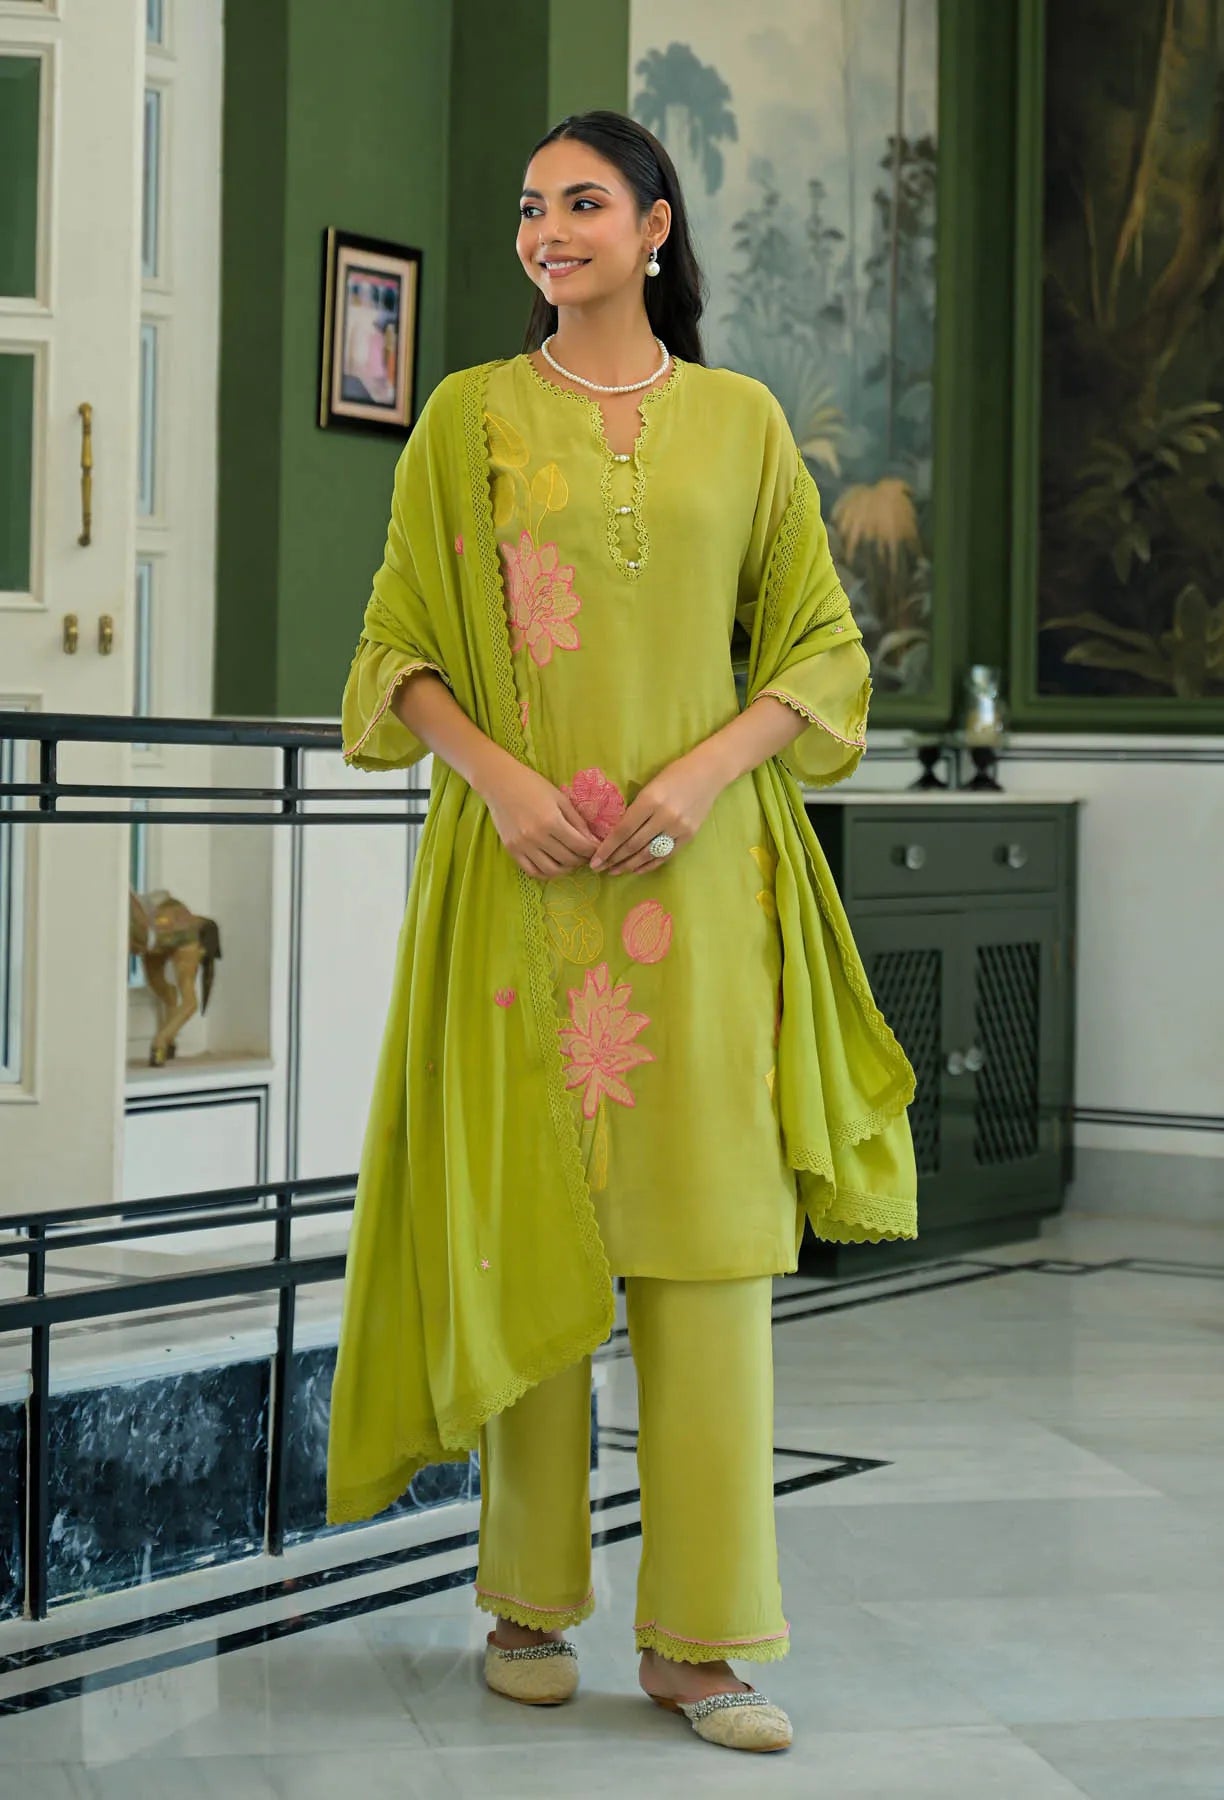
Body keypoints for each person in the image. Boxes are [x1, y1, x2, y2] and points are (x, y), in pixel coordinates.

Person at [327, 111, 917, 1755]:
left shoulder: (740, 428)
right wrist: (502, 782)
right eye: (531, 207)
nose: (548, 229)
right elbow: (390, 655)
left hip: (700, 891)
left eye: (583, 202)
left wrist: (709, 772)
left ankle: (701, 1643)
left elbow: (819, 653)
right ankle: (526, 1600)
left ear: (656, 227)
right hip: (520, 887)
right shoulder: (472, 420)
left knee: (711, 1246)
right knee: (531, 1219)